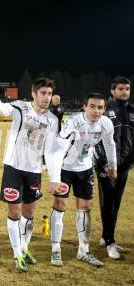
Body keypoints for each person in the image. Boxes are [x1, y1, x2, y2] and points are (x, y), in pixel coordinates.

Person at [0, 78, 60, 272]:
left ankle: (25, 248)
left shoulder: (51, 120)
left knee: (29, 214)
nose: (46, 97)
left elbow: (51, 151)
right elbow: (0, 110)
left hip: (35, 171)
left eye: (49, 94)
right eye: (43, 93)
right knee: (15, 213)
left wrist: (54, 177)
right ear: (34, 94)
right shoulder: (20, 108)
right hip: (14, 169)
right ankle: (17, 253)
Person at [49, 92, 116, 267]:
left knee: (85, 208)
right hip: (65, 169)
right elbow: (58, 148)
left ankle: (83, 250)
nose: (96, 111)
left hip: (85, 169)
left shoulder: (106, 124)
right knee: (60, 206)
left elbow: (109, 144)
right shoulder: (73, 122)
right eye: (92, 106)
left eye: (100, 107)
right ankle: (56, 249)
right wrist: (55, 177)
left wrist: (112, 166)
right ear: (85, 107)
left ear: (104, 109)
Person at [94, 76, 134, 259]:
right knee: (107, 203)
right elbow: (96, 139)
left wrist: (129, 162)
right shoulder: (105, 110)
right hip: (107, 166)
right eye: (120, 89)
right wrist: (104, 163)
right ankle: (110, 242)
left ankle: (106, 236)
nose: (124, 92)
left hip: (124, 165)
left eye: (127, 89)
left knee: (115, 204)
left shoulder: (132, 110)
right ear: (112, 91)